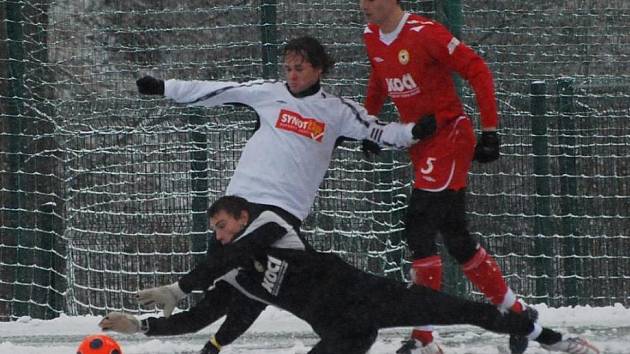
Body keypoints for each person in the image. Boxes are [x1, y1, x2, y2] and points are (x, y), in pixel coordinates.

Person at [132, 35, 436, 351]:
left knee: (304, 301)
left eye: (300, 68)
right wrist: (164, 87)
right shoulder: (268, 93)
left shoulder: (337, 111)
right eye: (288, 68)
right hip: (239, 213)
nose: (292, 74)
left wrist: (412, 133)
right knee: (226, 298)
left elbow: (378, 131)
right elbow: (214, 90)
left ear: (319, 70)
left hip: (280, 218)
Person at [100, 195, 600, 354]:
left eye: (225, 224)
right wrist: (142, 327)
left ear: (243, 218)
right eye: (214, 229)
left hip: (371, 297)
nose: (221, 233)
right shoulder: (237, 275)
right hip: (341, 330)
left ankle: (552, 338)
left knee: (462, 311)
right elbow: (205, 318)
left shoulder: (272, 224)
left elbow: (227, 260)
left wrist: (180, 285)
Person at [359, 1, 535, 353]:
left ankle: (423, 337)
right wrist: (369, 126)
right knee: (457, 239)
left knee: (418, 224)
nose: (364, 4)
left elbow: (477, 69)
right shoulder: (371, 36)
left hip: (449, 137)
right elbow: (379, 79)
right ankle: (519, 314)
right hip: (421, 146)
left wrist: (490, 129)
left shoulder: (426, 34)